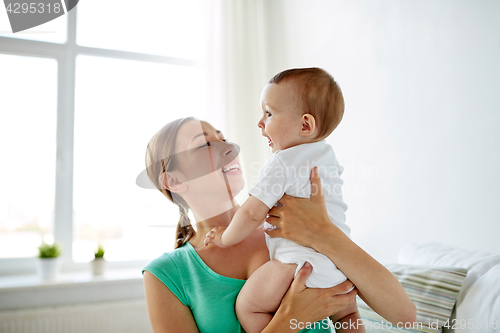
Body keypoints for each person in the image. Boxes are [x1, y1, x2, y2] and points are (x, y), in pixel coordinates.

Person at [140, 117, 416, 333]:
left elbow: (404, 317)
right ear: (174, 181)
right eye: (205, 145)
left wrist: (324, 234)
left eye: (224, 140)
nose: (228, 149)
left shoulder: (293, 228)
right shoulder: (165, 276)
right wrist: (290, 319)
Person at [204, 68, 362, 333]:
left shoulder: (282, 161)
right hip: (338, 265)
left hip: (297, 266)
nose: (260, 122)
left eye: (268, 113)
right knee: (347, 315)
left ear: (305, 125)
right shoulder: (327, 155)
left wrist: (224, 238)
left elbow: (252, 213)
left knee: (247, 306)